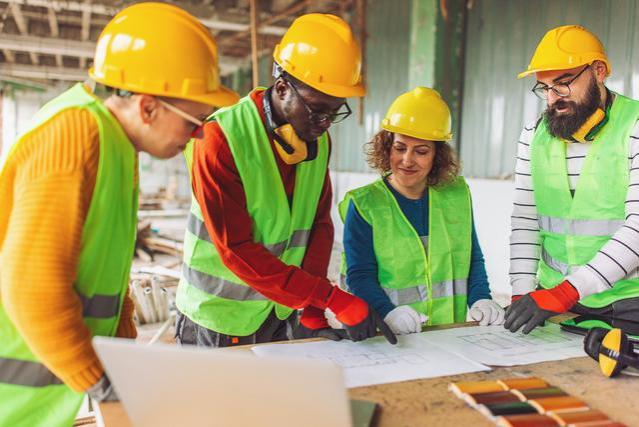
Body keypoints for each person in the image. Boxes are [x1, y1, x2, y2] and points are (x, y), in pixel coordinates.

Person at [0, 3, 238, 426]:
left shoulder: (116, 144)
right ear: (147, 107)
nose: (201, 134)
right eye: (193, 121)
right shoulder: (73, 136)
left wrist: (126, 357)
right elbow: (31, 289)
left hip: (42, 397)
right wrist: (101, 382)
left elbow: (105, 274)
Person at [175, 13, 397, 348]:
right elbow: (236, 249)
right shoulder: (219, 138)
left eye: (335, 112)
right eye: (317, 110)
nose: (325, 124)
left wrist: (311, 309)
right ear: (281, 88)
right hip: (218, 319)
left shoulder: (317, 142)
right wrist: (332, 298)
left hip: (279, 314)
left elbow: (318, 225)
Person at [506, 25, 639, 334]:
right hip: (555, 303)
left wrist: (565, 292)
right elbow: (525, 220)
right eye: (544, 87)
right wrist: (522, 293)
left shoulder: (634, 127)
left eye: (563, 84)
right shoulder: (533, 135)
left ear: (599, 71)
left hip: (628, 304)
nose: (553, 98)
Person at [339, 87, 504, 335]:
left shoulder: (456, 195)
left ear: (437, 155)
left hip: (448, 332)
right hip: (386, 333)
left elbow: (471, 257)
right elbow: (359, 274)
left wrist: (481, 297)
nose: (407, 160)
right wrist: (387, 312)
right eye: (400, 147)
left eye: (421, 151)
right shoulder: (365, 204)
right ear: (387, 147)